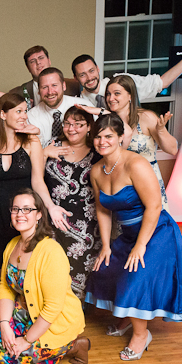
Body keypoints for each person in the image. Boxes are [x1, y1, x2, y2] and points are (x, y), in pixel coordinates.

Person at [86, 114, 182, 361]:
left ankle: (141, 334)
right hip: (127, 233)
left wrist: (141, 246)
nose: (102, 141)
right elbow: (103, 209)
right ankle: (128, 317)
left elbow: (155, 206)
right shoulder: (96, 171)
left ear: (120, 137)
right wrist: (106, 245)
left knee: (136, 277)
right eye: (98, 137)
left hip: (157, 232)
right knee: (105, 269)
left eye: (108, 136)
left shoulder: (136, 164)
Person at [0, 189, 89, 364]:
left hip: (53, 321)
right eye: (16, 209)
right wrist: (4, 324)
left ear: (39, 215)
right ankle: (20, 350)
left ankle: (73, 345)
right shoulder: (12, 245)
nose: (20, 214)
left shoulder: (51, 251)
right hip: (25, 314)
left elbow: (52, 307)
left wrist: (25, 341)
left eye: (27, 209)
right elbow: (5, 287)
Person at [0, 93, 64, 282]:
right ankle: (4, 305)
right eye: (18, 111)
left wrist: (51, 206)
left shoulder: (31, 141)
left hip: (26, 211)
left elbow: (38, 181)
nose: (24, 116)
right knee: (2, 262)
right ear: (2, 115)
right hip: (0, 211)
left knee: (30, 259)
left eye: (25, 111)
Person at [77, 75, 176, 210]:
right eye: (108, 94)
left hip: (147, 183)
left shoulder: (146, 117)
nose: (111, 98)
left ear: (130, 96)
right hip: (120, 185)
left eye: (117, 94)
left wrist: (161, 130)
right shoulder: (106, 122)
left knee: (153, 223)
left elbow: (172, 149)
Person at [71, 26, 182, 108]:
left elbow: (162, 82)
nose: (90, 77)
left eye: (91, 71)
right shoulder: (79, 104)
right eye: (82, 74)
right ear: (75, 78)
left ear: (98, 69)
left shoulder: (121, 82)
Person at [43, 106, 102, 300]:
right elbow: (33, 175)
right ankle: (52, 309)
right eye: (67, 123)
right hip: (52, 218)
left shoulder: (98, 150)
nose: (72, 128)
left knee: (79, 267)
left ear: (88, 127)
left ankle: (74, 312)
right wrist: (44, 153)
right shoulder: (52, 145)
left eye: (79, 124)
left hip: (86, 222)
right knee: (52, 267)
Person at [26, 67, 92, 146]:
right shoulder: (31, 117)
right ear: (38, 91)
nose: (50, 92)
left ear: (63, 86)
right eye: (44, 87)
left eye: (54, 85)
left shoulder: (84, 106)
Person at [9, 46, 80, 109]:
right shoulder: (21, 91)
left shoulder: (73, 85)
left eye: (41, 58)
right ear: (28, 68)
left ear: (49, 61)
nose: (38, 63)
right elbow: (6, 100)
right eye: (32, 61)